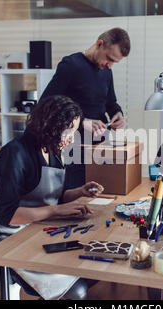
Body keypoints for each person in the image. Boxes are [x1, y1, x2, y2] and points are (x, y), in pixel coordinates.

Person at [0, 95, 104, 300]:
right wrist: (55, 210)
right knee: (77, 290)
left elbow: (54, 197)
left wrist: (80, 192)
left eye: (74, 131)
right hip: (12, 237)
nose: (71, 138)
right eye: (68, 132)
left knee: (94, 267)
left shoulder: (51, 149)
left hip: (41, 229)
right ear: (50, 126)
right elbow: (6, 214)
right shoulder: (15, 154)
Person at [40, 27, 131, 189]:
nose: (110, 66)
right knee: (73, 197)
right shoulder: (70, 65)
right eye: (109, 59)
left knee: (100, 196)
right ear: (99, 44)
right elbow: (46, 103)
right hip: (73, 147)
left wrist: (117, 113)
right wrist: (82, 121)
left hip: (99, 147)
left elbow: (110, 102)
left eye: (114, 63)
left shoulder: (106, 71)